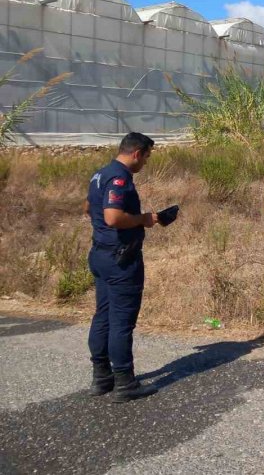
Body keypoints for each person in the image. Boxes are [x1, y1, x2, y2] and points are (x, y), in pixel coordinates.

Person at [84, 132, 159, 403]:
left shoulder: (99, 175)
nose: (146, 162)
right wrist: (143, 219)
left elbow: (88, 207)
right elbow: (113, 216)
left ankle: (101, 377)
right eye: (147, 156)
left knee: (103, 315)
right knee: (121, 321)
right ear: (137, 153)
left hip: (100, 254)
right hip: (120, 259)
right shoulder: (120, 178)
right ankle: (125, 382)